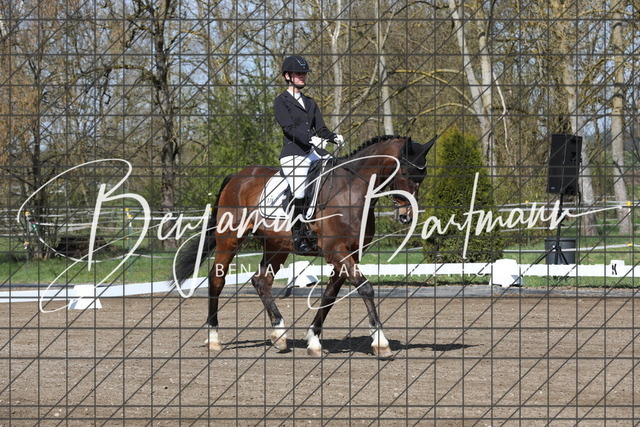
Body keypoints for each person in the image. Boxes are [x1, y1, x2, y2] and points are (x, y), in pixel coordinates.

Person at [274, 55, 344, 253]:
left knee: (337, 171)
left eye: (304, 73)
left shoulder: (310, 102)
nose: (303, 76)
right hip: (293, 153)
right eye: (299, 73)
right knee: (299, 191)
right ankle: (298, 234)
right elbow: (288, 128)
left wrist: (333, 137)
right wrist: (311, 139)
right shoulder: (281, 101)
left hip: (313, 152)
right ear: (287, 76)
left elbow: (320, 129)